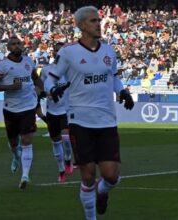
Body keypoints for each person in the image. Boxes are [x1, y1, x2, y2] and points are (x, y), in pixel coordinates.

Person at [44, 6, 134, 220]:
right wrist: (51, 89)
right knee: (87, 175)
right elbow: (51, 77)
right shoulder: (68, 52)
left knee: (111, 176)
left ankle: (102, 192)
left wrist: (122, 91)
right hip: (80, 121)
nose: (98, 24)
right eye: (94, 21)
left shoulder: (109, 51)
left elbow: (113, 77)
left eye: (98, 20)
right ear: (81, 25)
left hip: (106, 120)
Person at [0, 36, 44, 189]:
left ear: (22, 45)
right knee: (14, 142)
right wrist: (10, 87)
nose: (17, 46)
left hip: (28, 107)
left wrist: (39, 90)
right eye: (13, 44)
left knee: (27, 141)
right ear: (8, 48)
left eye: (18, 43)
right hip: (10, 108)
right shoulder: (2, 65)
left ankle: (25, 176)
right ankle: (16, 156)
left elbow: (36, 79)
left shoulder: (29, 61)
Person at [40, 42, 74, 183]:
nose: (57, 52)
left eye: (60, 50)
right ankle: (61, 171)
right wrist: (43, 93)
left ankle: (67, 159)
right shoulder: (46, 70)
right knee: (56, 142)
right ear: (53, 53)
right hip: (51, 111)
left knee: (66, 139)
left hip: (66, 110)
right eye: (55, 50)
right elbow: (42, 86)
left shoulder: (71, 71)